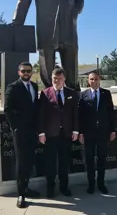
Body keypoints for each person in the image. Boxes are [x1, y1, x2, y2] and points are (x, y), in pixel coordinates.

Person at [11, 0, 84, 91]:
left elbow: (80, 0)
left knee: (71, 70)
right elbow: (24, 0)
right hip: (47, 30)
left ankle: (73, 99)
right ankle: (49, 97)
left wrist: (74, 12)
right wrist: (17, 23)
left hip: (69, 29)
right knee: (47, 68)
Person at [3, 62, 40, 208]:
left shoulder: (34, 86)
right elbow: (7, 109)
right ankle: (21, 194)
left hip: (32, 131)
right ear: (19, 72)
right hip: (20, 132)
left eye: (28, 71)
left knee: (30, 160)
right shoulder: (13, 87)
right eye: (23, 71)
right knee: (21, 162)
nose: (26, 73)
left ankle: (27, 187)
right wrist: (16, 127)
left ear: (31, 72)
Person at [38, 67, 79, 198]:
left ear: (64, 79)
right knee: (50, 163)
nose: (57, 81)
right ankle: (50, 188)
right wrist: (41, 133)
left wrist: (76, 130)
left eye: (59, 78)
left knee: (64, 162)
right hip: (50, 135)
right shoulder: (45, 93)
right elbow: (41, 115)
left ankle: (64, 187)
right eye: (55, 78)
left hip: (66, 134)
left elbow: (75, 114)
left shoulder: (71, 93)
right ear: (52, 79)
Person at [78, 71, 117, 194]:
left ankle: (101, 184)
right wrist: (81, 133)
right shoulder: (83, 95)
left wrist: (113, 130)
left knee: (101, 160)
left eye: (96, 79)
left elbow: (111, 113)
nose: (94, 81)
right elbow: (81, 116)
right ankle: (91, 184)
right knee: (89, 160)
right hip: (89, 134)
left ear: (99, 80)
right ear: (88, 81)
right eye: (91, 79)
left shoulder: (106, 94)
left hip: (103, 133)